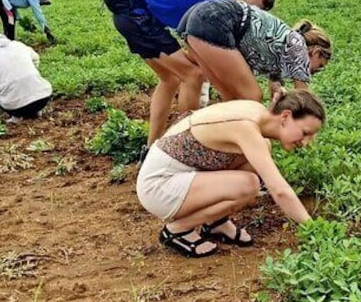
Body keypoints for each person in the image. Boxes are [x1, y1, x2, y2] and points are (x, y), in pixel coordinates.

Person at [137, 89, 325, 258]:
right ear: (285, 117)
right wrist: (314, 230)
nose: (306, 142)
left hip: (180, 173)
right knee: (248, 185)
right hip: (158, 186)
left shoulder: (257, 112)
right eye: (305, 132)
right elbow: (279, 190)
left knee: (259, 154)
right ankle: (177, 230)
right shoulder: (246, 127)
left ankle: (214, 222)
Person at [105, 0, 276, 143]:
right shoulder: (216, 0)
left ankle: (151, 147)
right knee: (192, 75)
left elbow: (197, 47)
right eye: (250, 7)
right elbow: (196, 46)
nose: (248, 13)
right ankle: (186, 142)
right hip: (136, 14)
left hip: (131, 11)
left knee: (170, 78)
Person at [177, 0, 332, 104]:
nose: (311, 73)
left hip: (197, 18)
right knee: (252, 96)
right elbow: (303, 96)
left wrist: (278, 91)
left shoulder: (281, 50)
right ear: (316, 51)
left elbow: (275, 85)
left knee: (231, 97)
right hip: (214, 20)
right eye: (318, 67)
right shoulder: (297, 44)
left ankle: (203, 140)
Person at [0, 26, 53, 123]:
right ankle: (36, 111)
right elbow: (35, 58)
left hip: (15, 107)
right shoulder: (17, 44)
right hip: (43, 98)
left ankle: (16, 117)